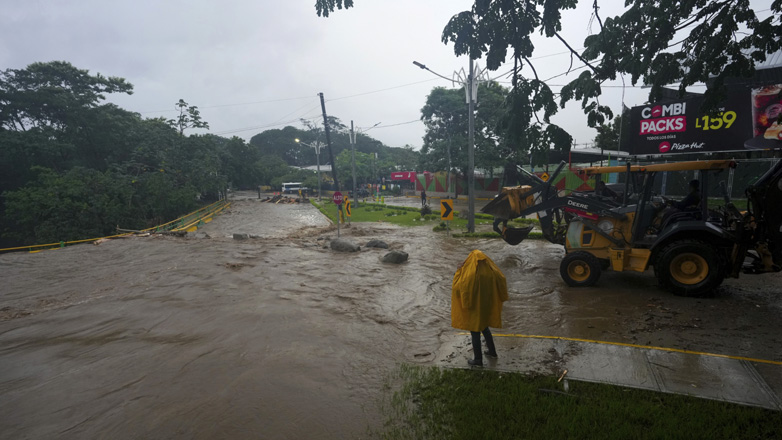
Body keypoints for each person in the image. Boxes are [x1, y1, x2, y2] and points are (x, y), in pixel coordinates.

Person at [451, 250, 508, 367]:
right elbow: (501, 279)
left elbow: (457, 289)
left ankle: (478, 359)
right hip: (486, 306)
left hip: (474, 307)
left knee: (475, 332)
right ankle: (492, 352)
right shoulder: (491, 272)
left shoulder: (469, 275)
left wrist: (459, 271)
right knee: (485, 328)